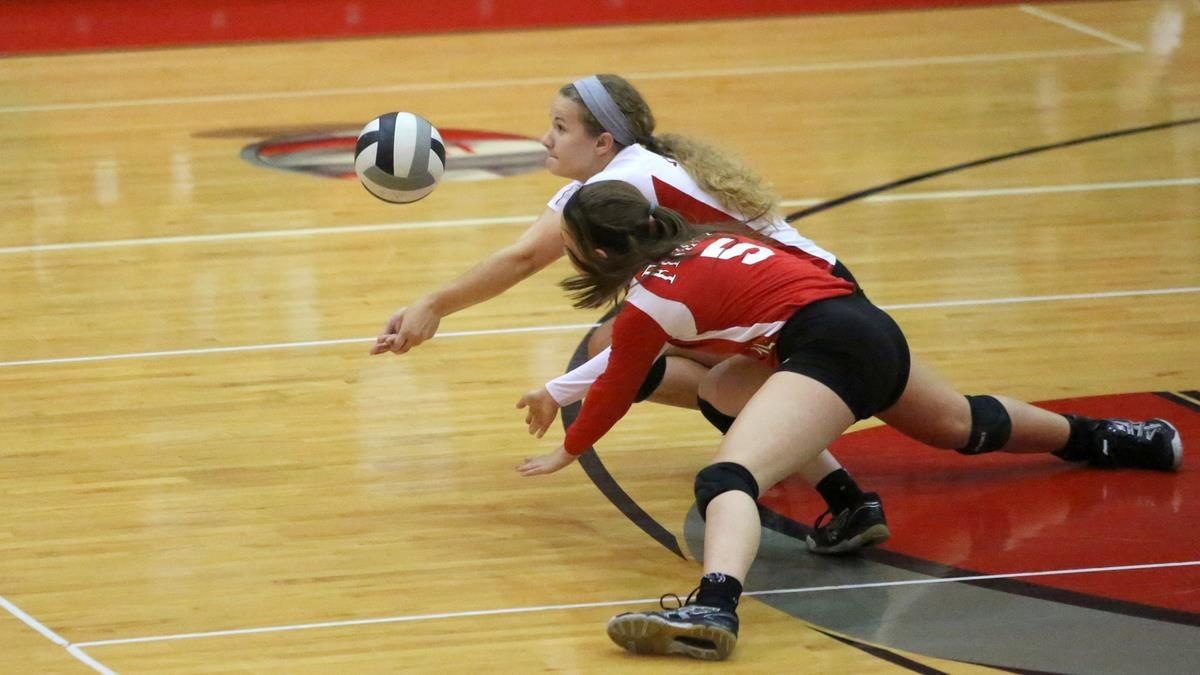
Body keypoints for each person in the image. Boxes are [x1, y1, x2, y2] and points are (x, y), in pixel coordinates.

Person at [516, 181, 1183, 662]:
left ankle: (713, 605)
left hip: (829, 347)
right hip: (858, 321)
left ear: (600, 256)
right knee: (958, 423)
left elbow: (614, 387)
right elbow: (817, 272)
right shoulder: (713, 244)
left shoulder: (651, 300)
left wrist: (567, 448)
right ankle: (1115, 436)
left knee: (727, 478)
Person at [372, 73, 891, 552]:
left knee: (954, 427)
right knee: (699, 378)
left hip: (813, 302)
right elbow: (535, 258)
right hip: (800, 298)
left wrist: (435, 306)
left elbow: (526, 257)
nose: (545, 139)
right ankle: (824, 481)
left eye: (559, 127)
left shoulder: (625, 182)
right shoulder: (612, 179)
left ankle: (776, 456)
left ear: (603, 142)